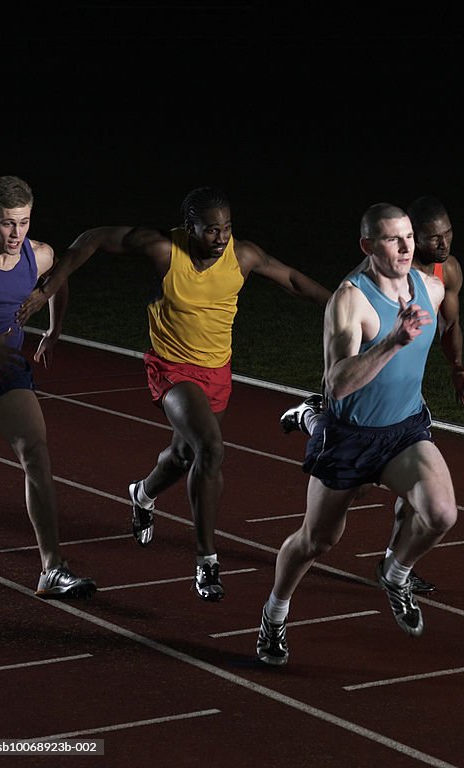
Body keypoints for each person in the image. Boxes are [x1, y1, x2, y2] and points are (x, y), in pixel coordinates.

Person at [17, 187, 332, 602]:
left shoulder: (243, 256)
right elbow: (93, 237)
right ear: (190, 228)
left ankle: (142, 493)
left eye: (227, 228)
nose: (221, 238)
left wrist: (348, 304)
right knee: (211, 448)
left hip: (217, 371)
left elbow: (292, 280)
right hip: (171, 368)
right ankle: (206, 561)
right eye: (211, 230)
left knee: (184, 456)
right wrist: (49, 285)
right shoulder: (165, 250)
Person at [257, 202, 458, 665]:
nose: (407, 246)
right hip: (349, 435)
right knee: (317, 541)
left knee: (442, 513)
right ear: (368, 246)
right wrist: (393, 341)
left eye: (409, 235)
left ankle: (395, 571)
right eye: (393, 238)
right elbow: (336, 382)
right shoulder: (350, 300)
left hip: (404, 430)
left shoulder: (430, 286)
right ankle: (275, 612)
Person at [0, 175, 96, 599]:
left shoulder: (38, 255)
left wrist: (55, 326)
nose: (17, 234)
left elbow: (60, 276)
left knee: (36, 450)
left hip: (5, 371)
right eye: (8, 224)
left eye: (24, 222)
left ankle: (52, 567)